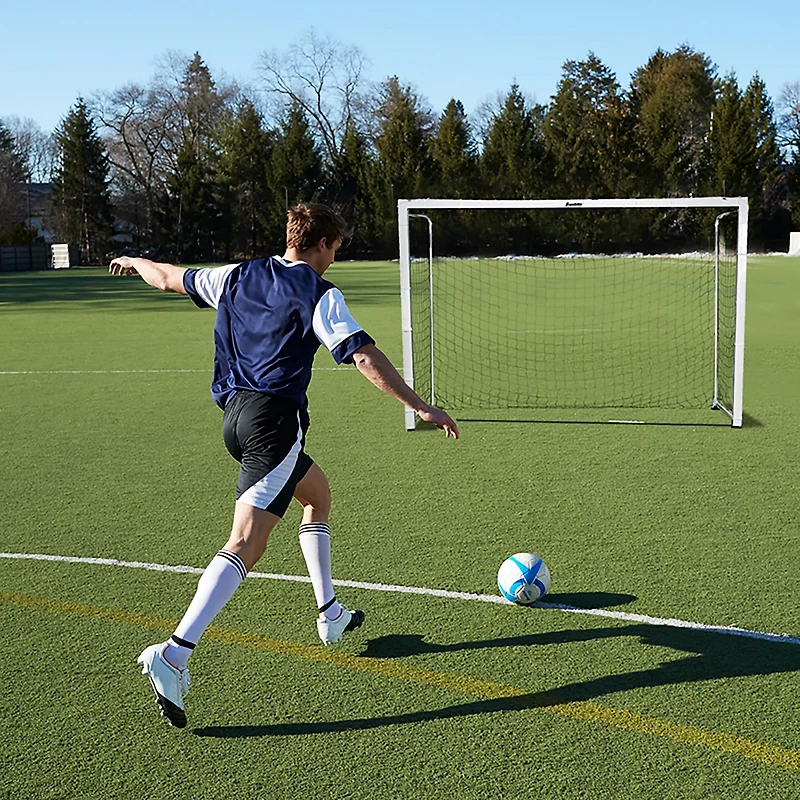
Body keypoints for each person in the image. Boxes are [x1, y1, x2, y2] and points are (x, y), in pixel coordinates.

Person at [109, 202, 459, 728]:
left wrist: (136, 260)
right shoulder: (319, 293)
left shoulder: (236, 274)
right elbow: (362, 355)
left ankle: (330, 614)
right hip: (274, 424)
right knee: (246, 542)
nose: (334, 261)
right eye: (335, 250)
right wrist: (421, 406)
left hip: (235, 419)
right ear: (320, 244)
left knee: (317, 494)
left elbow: (168, 278)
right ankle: (175, 652)